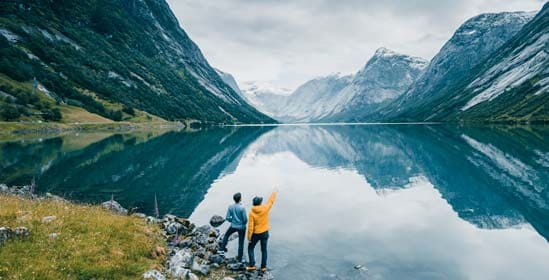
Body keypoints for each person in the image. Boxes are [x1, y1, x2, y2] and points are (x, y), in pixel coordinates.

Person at [246, 188, 277, 272]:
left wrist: (249, 238)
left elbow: (250, 227)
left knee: (250, 248)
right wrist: (274, 192)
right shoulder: (265, 208)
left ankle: (252, 265)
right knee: (264, 250)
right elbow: (271, 201)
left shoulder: (251, 213)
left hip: (256, 234)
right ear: (260, 203)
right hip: (265, 233)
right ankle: (263, 267)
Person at [219, 192, 247, 262]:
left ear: (234, 199)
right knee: (241, 242)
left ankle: (221, 250)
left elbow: (227, 218)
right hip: (241, 227)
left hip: (233, 226)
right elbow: (245, 220)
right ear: (240, 199)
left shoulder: (230, 207)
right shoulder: (242, 208)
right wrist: (242, 223)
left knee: (226, 235)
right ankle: (240, 258)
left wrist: (233, 221)